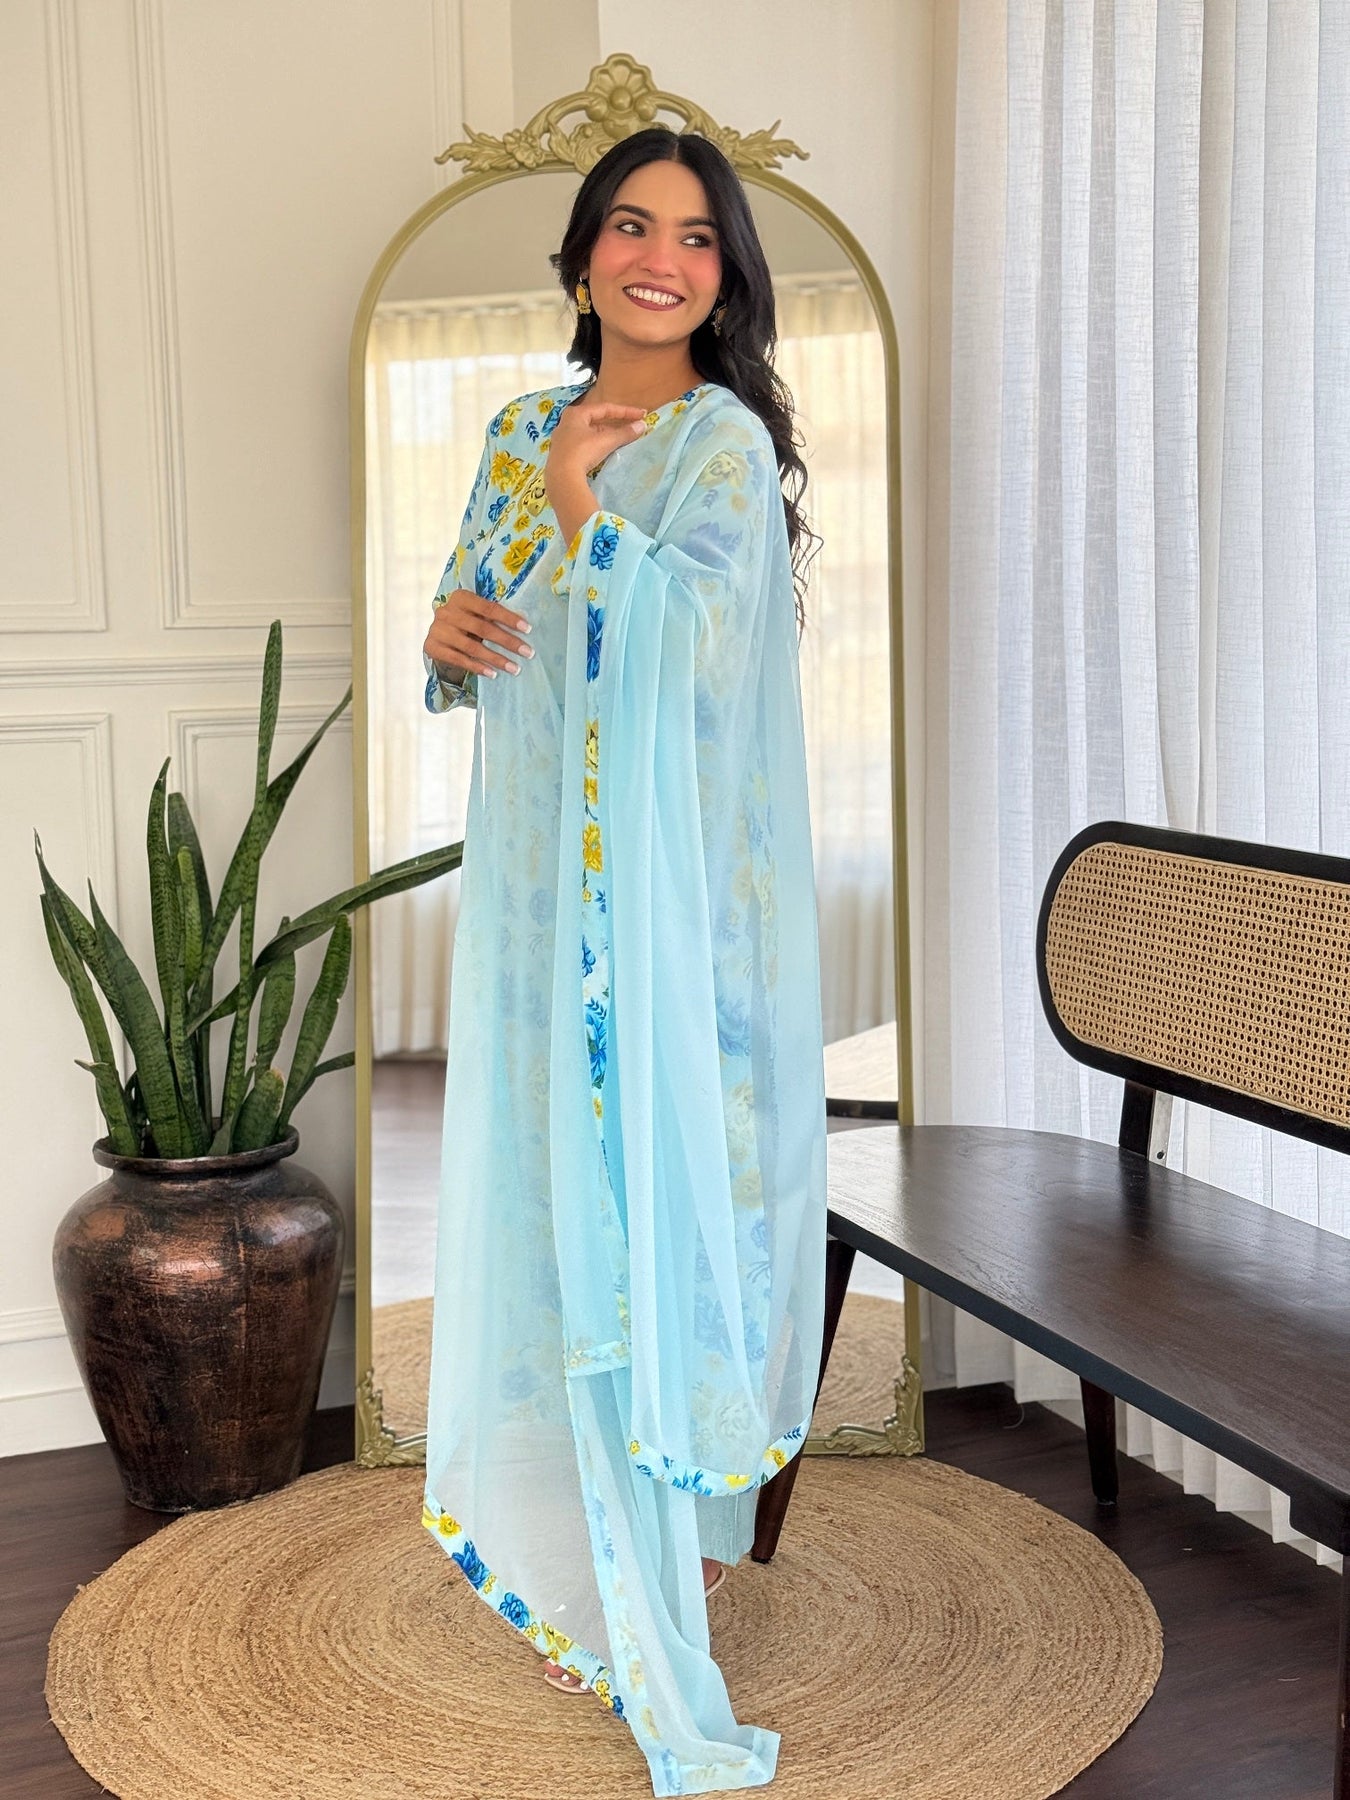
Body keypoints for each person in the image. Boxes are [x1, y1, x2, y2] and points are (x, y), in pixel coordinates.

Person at [419, 124, 828, 1796]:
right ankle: (593, 1542)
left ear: (723, 280)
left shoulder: (718, 442)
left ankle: (667, 1562)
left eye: (696, 238)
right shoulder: (516, 427)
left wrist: (588, 505)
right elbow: (475, 629)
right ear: (583, 253)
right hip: (540, 898)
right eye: (631, 227)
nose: (660, 260)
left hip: (673, 916)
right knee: (556, 1205)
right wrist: (444, 634)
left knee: (659, 1208)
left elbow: (702, 659)